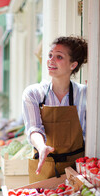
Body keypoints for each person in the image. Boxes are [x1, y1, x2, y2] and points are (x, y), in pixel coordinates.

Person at [22, 36, 88, 183]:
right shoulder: (33, 93)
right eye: (50, 55)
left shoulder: (85, 94)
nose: (51, 60)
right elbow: (34, 128)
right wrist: (41, 147)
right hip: (44, 166)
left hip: (77, 170)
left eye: (59, 57)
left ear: (73, 65)